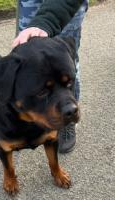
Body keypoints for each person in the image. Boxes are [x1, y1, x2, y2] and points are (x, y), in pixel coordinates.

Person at [12, 0, 89, 153]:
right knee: (28, 67)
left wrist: (46, 21)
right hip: (30, 3)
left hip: (66, 6)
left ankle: (67, 119)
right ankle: (28, 113)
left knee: (67, 66)